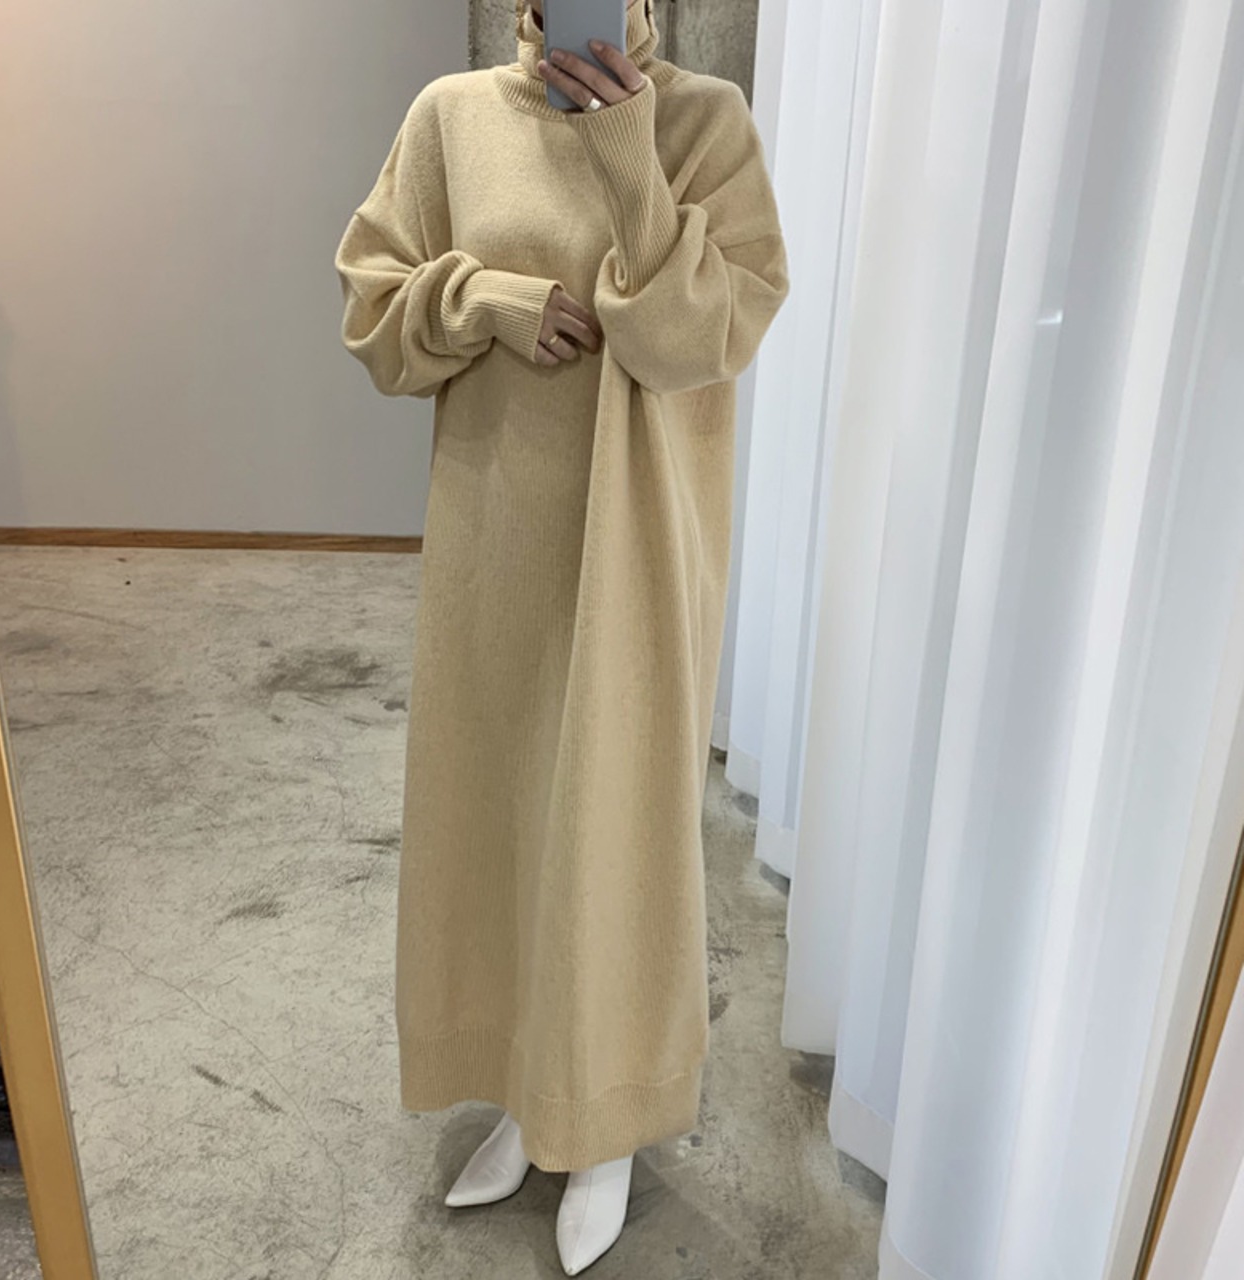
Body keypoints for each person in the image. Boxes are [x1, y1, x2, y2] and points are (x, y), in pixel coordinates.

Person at [334, 0, 788, 1272]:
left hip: (639, 552)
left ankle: (606, 1120)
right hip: (493, 541)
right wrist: (484, 298)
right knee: (494, 817)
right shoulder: (451, 119)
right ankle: (528, 1090)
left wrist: (627, 151)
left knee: (614, 833)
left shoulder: (704, 125)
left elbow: (704, 338)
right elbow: (371, 310)